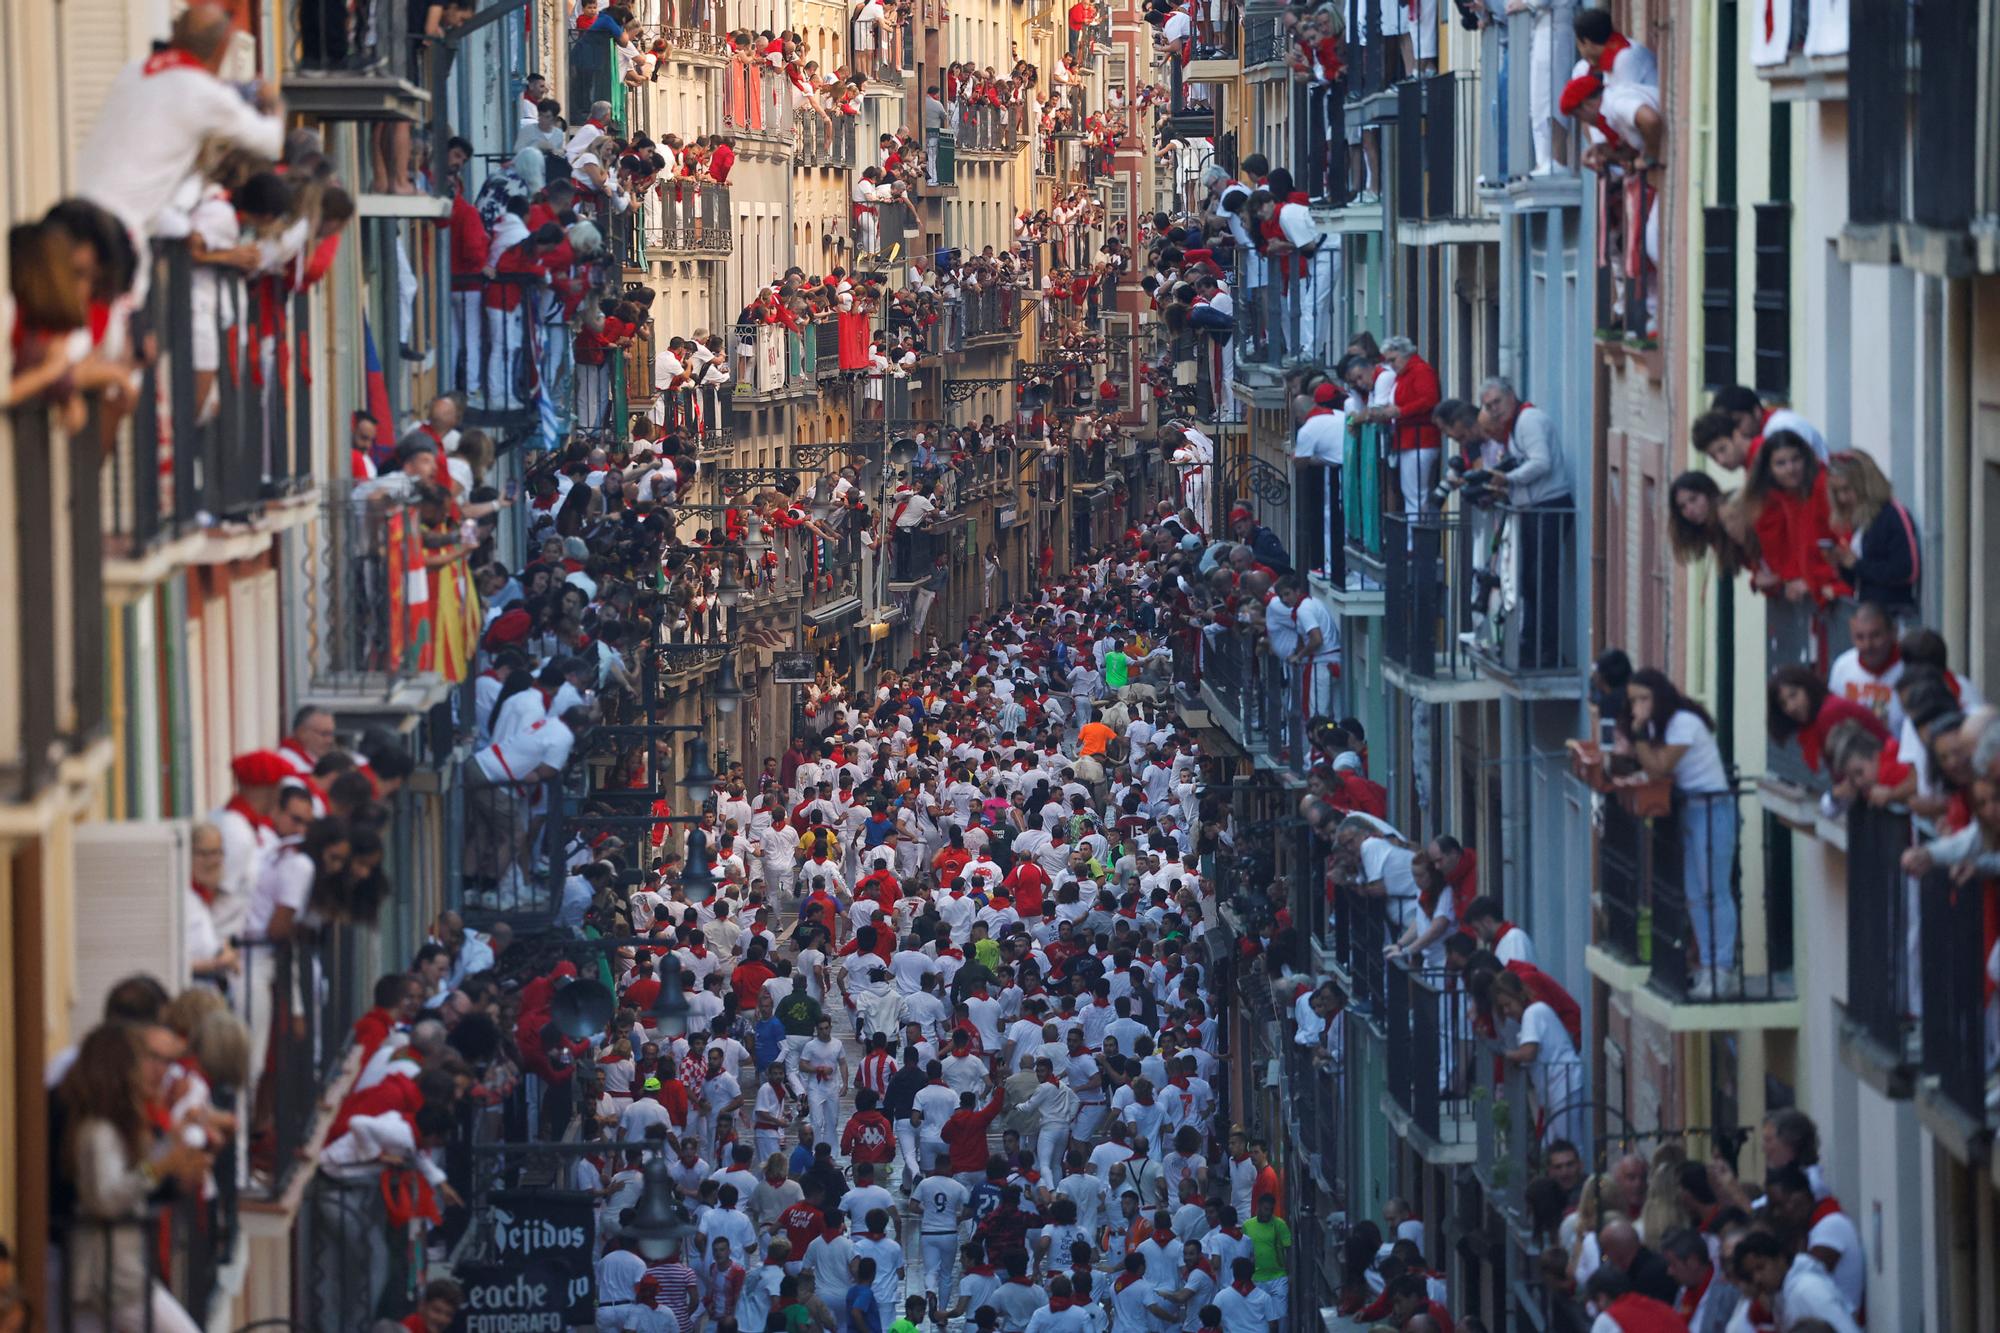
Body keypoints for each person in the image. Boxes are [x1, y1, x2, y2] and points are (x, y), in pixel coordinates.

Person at [1618, 669, 1737, 997]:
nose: (1638, 706)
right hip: (1690, 811)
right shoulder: (1659, 727)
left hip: (1713, 809)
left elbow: (1658, 767)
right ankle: (1708, 967)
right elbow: (1649, 767)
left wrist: (1639, 734)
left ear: (1659, 696)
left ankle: (1722, 967)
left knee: (1715, 890)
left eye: (1643, 698)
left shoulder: (1683, 722)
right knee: (1695, 894)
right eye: (1633, 701)